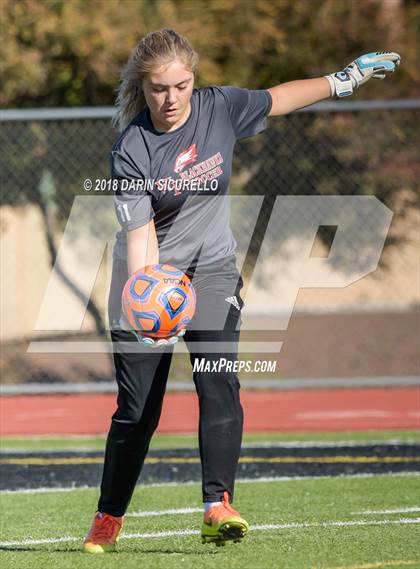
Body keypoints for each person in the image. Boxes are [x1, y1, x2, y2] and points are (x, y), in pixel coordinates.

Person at [83, 29, 400, 553]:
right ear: (143, 86)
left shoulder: (220, 108)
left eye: (181, 85)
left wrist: (344, 80)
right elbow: (141, 239)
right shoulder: (132, 150)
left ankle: (217, 504)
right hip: (148, 283)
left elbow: (279, 99)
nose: (171, 99)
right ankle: (108, 516)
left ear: (194, 80)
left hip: (211, 274)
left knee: (218, 380)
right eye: (159, 88)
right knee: (138, 412)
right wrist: (151, 303)